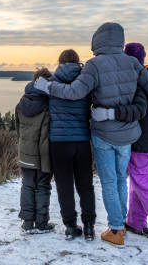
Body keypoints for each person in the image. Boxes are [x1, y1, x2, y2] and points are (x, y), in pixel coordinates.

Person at [34, 22, 148, 246]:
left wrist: (49, 88)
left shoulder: (94, 65)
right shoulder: (133, 63)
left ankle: (116, 229)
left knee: (109, 181)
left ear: (98, 40)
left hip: (103, 134)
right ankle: (120, 224)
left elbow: (75, 92)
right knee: (120, 180)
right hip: (127, 134)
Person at [92, 43, 148, 242]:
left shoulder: (137, 80)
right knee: (137, 182)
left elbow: (136, 110)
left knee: (143, 182)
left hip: (143, 142)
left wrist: (108, 113)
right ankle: (135, 221)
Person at [48, 49, 96, 240]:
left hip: (59, 142)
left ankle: (70, 225)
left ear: (59, 62)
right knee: (85, 186)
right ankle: (90, 226)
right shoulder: (85, 83)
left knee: (64, 185)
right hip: (82, 140)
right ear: (78, 62)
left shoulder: (51, 83)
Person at [15, 67, 54, 234]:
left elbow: (17, 129)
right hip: (43, 154)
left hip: (25, 151)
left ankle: (27, 222)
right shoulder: (48, 104)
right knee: (43, 186)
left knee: (27, 185)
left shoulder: (21, 103)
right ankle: (41, 223)